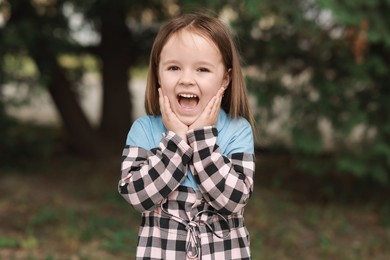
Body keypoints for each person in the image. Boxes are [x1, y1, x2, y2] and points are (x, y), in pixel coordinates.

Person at [118, 13, 255, 259]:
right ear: (158, 74)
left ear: (225, 78)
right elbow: (137, 197)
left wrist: (201, 138)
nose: (187, 79)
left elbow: (233, 201)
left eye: (202, 69)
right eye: (173, 68)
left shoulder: (237, 130)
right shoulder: (144, 130)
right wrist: (176, 140)